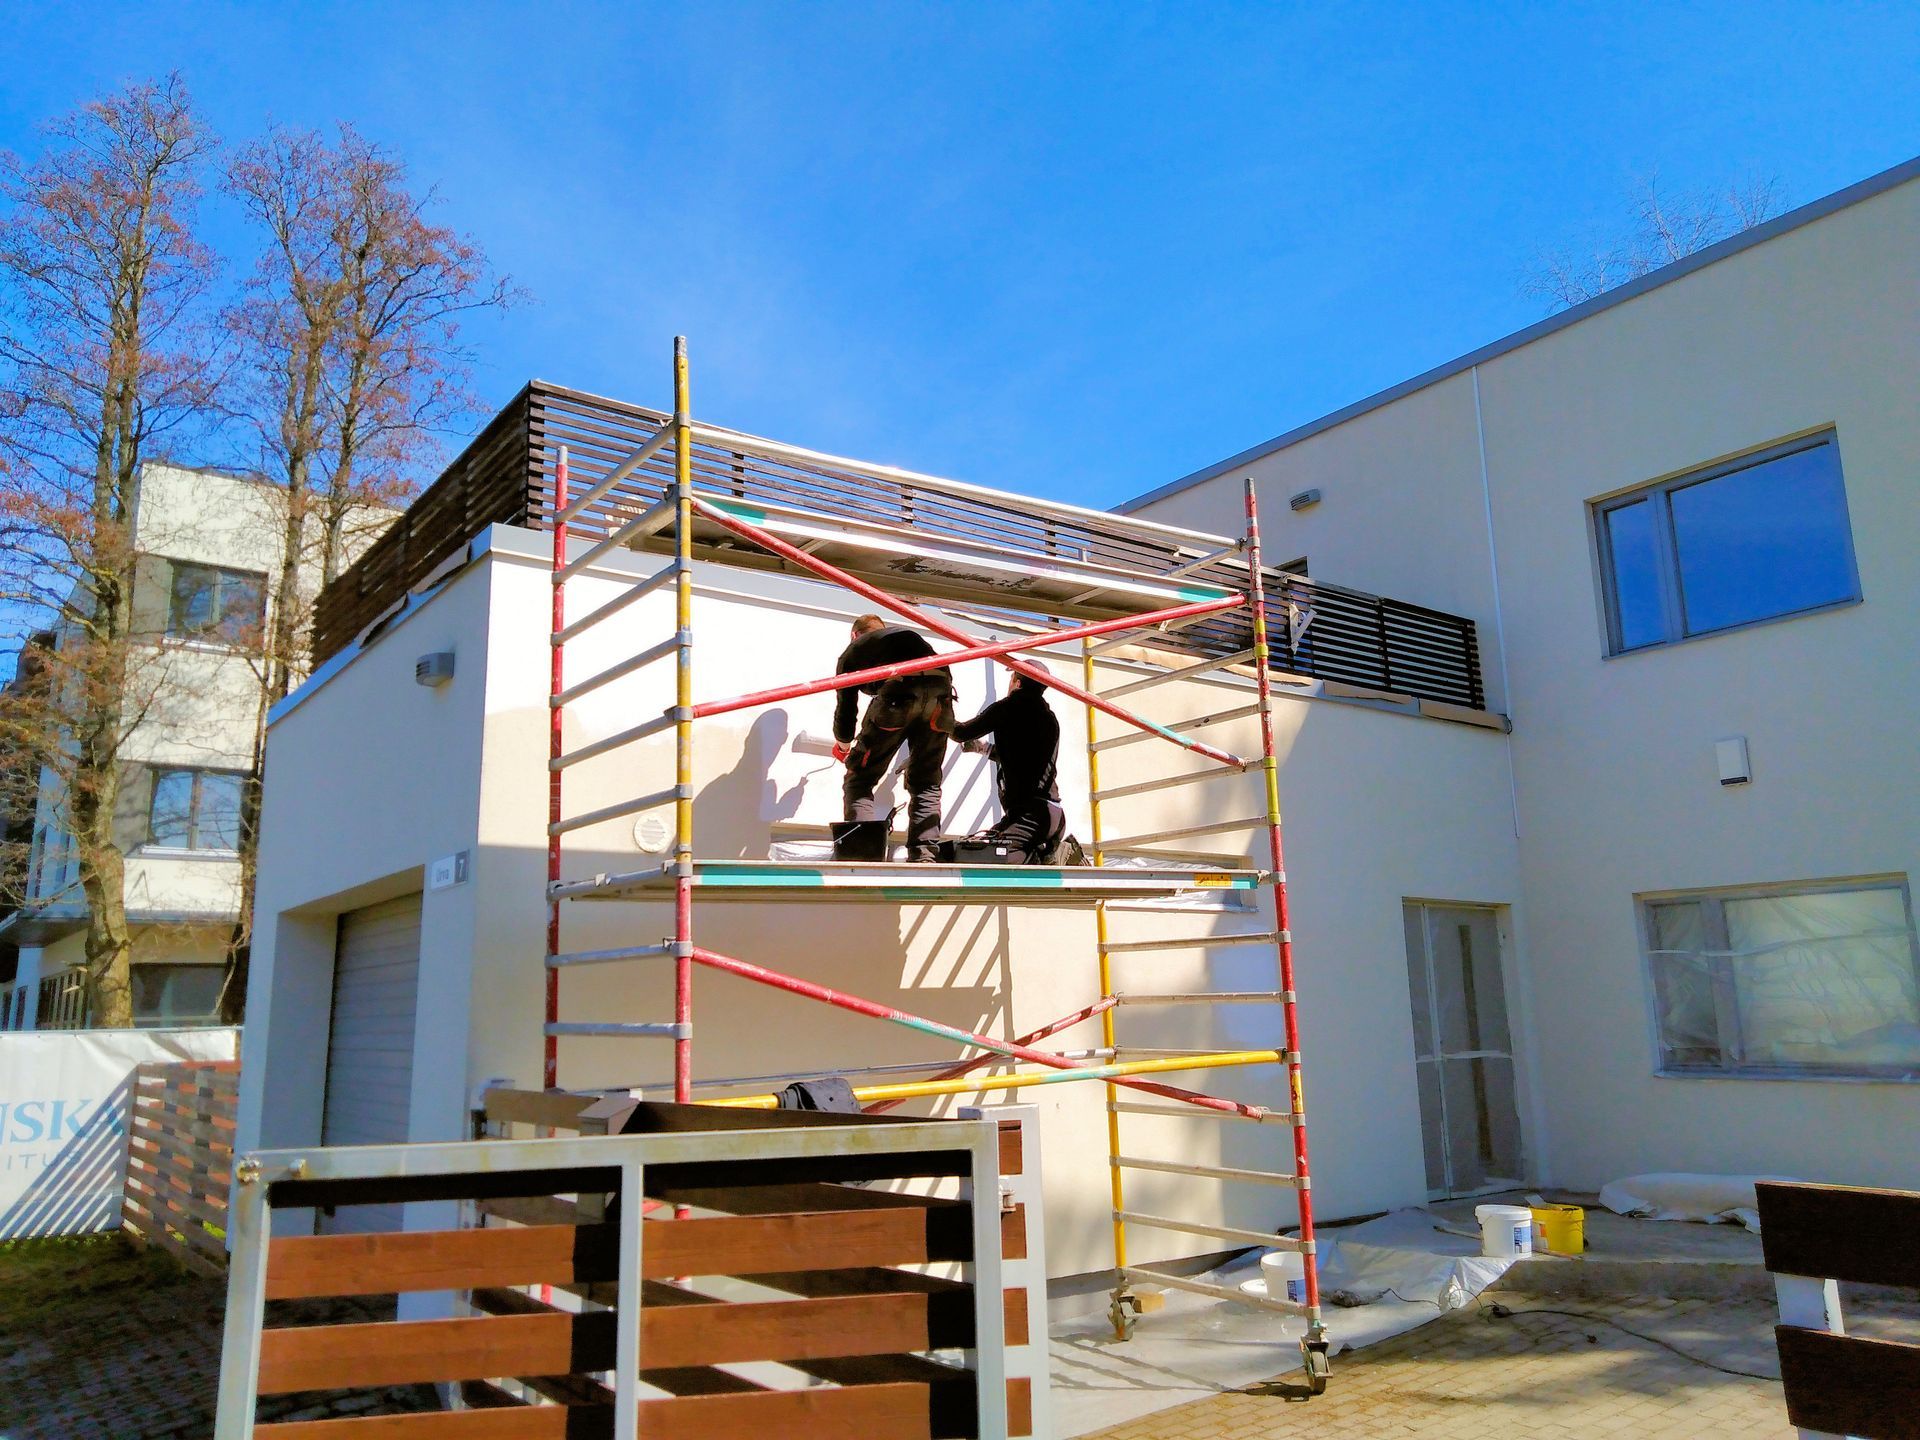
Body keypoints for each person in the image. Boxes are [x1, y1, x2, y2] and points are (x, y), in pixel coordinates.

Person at [833, 614, 955, 862]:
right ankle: (925, 855)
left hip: (898, 694)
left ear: (855, 635)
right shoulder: (905, 638)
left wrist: (844, 745)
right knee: (927, 782)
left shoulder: (854, 650)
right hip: (941, 697)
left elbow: (847, 708)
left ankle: (862, 856)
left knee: (860, 779)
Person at [950, 663, 1065, 864]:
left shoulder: (1008, 707)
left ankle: (1042, 860)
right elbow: (1022, 757)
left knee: (989, 858)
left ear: (1017, 682)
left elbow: (960, 732)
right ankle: (1043, 853)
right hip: (1050, 814)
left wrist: (938, 714)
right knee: (987, 843)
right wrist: (982, 748)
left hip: (1030, 816)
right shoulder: (1049, 718)